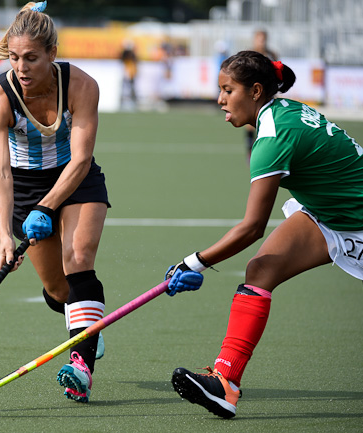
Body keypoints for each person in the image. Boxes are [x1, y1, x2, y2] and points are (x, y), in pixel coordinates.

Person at [164, 50, 363, 419]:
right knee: (260, 272)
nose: (220, 99)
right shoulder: (280, 112)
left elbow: (252, 227)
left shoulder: (273, 136)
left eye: (228, 90)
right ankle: (225, 382)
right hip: (329, 214)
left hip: (356, 217)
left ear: (255, 91)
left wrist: (195, 262)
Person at [0, 1, 111, 403]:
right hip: (25, 187)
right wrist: (4, 234)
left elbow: (82, 158)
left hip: (76, 177)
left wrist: (48, 206)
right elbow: (0, 174)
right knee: (58, 289)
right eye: (15, 57)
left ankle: (81, 365)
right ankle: (85, 325)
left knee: (78, 257)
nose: (22, 67)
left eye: (32, 58)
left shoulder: (81, 84)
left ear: (52, 54)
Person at [245, 30, 278, 161]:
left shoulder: (272, 54)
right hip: (253, 92)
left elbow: (277, 72)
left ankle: (266, 150)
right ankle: (250, 151)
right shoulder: (250, 54)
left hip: (268, 92)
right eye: (259, 38)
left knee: (268, 120)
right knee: (251, 121)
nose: (261, 41)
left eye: (263, 39)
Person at [119, 39, 138, 110]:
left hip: (130, 73)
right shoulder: (126, 54)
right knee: (125, 87)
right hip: (126, 72)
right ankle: (123, 101)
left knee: (131, 87)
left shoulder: (132, 55)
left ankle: (133, 101)